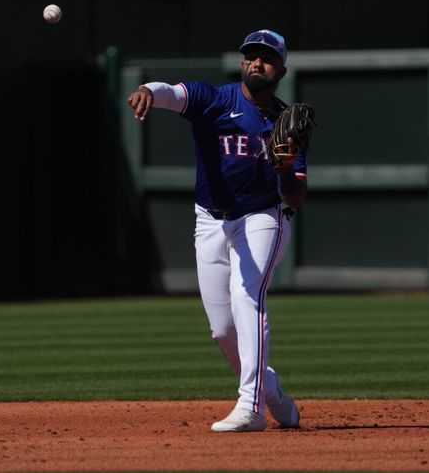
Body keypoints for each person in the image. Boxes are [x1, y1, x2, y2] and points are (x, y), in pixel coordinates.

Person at [127, 29, 308, 432]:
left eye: (266, 58)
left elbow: (294, 197)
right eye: (251, 56)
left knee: (248, 295)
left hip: (261, 218)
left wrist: (283, 168)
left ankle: (251, 408)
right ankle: (271, 391)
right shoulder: (216, 100)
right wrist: (148, 91)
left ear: (281, 68)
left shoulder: (286, 123)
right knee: (223, 331)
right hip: (209, 220)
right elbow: (175, 94)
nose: (256, 63)